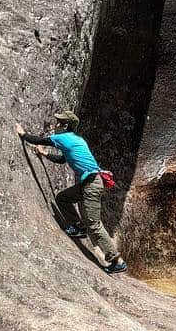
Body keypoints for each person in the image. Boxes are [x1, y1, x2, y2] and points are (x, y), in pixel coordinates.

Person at [16, 111, 128, 274]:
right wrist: (45, 154)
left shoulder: (64, 138)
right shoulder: (76, 140)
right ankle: (78, 227)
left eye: (59, 123)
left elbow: (40, 140)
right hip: (90, 182)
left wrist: (23, 134)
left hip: (91, 183)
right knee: (63, 198)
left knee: (94, 224)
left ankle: (117, 261)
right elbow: (63, 159)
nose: (56, 126)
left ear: (66, 126)